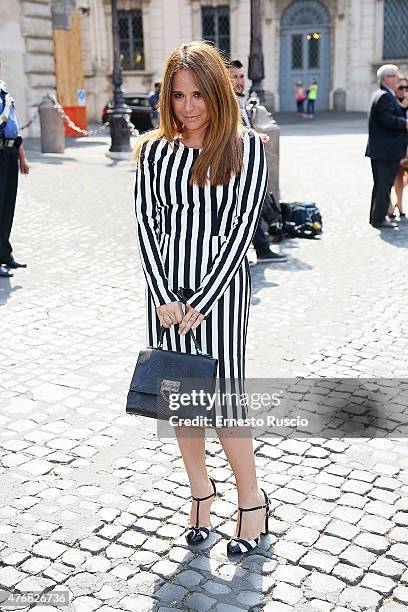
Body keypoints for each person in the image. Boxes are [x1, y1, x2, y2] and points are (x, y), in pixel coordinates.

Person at [134, 41, 272, 556]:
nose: (188, 107)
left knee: (225, 404)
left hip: (222, 293)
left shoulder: (247, 146)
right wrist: (167, 295)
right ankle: (200, 493)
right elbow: (146, 223)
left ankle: (251, 500)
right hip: (166, 295)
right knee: (183, 405)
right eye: (177, 95)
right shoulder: (153, 151)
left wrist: (202, 300)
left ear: (218, 92)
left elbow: (241, 229)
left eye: (198, 94)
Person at [229, 59, 286, 263]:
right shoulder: (226, 102)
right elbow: (229, 130)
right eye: (234, 76)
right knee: (244, 210)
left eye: (241, 76)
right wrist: (252, 135)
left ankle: (260, 249)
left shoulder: (240, 100)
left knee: (249, 208)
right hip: (234, 165)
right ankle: (256, 250)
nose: (239, 80)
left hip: (247, 163)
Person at [366, 64, 408, 228]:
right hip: (385, 150)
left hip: (382, 150)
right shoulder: (384, 96)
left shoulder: (384, 94)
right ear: (386, 79)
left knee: (380, 185)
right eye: (395, 76)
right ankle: (379, 218)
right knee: (383, 185)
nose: (398, 79)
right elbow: (387, 119)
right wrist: (404, 123)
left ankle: (377, 216)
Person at [0, 80, 29, 278]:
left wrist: (22, 158)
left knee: (7, 207)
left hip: (10, 153)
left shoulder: (6, 95)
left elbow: (15, 132)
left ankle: (5, 254)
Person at [388, 76, 408, 219]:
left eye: (407, 88)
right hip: (393, 145)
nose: (404, 91)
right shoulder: (391, 102)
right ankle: (394, 205)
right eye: (401, 87)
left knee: (402, 177)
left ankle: (398, 203)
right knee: (391, 177)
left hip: (406, 145)